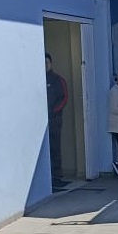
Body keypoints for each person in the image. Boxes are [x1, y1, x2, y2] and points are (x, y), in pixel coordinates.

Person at [45, 53, 69, 189]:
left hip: (54, 120)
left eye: (47, 63)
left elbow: (65, 97)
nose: (45, 65)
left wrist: (54, 111)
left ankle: (57, 177)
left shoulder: (58, 80)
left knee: (55, 148)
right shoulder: (37, 78)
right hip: (40, 120)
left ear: (51, 63)